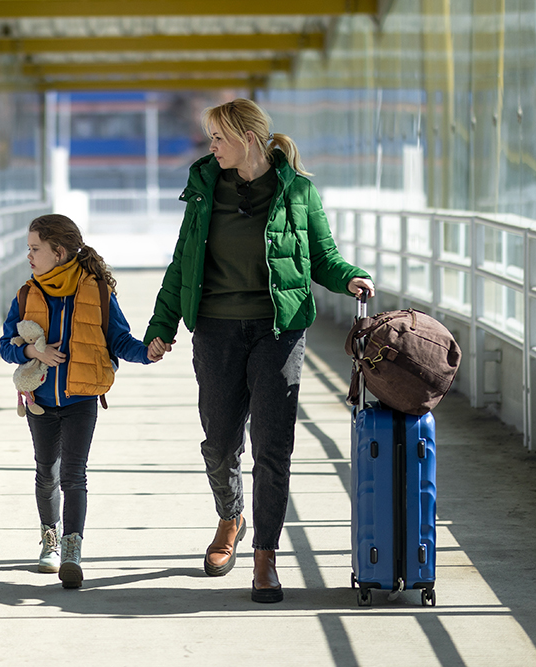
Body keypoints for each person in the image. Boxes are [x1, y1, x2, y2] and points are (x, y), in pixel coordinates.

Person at [144, 98, 375, 603]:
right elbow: (183, 263)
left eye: (219, 137)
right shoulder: (205, 189)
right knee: (220, 443)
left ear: (248, 137)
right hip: (216, 332)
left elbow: (323, 257)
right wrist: (161, 325)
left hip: (279, 332)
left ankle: (265, 557)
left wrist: (350, 277)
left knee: (274, 448)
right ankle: (231, 516)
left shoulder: (299, 191)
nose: (212, 146)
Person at [0, 214, 167, 589]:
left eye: (35, 248)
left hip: (81, 400)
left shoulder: (97, 291)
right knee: (47, 472)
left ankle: (72, 550)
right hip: (40, 401)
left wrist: (147, 353)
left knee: (74, 474)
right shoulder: (27, 294)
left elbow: (119, 340)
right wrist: (32, 351)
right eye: (29, 248)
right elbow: (5, 346)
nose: (29, 255)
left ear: (58, 252)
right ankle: (50, 539)